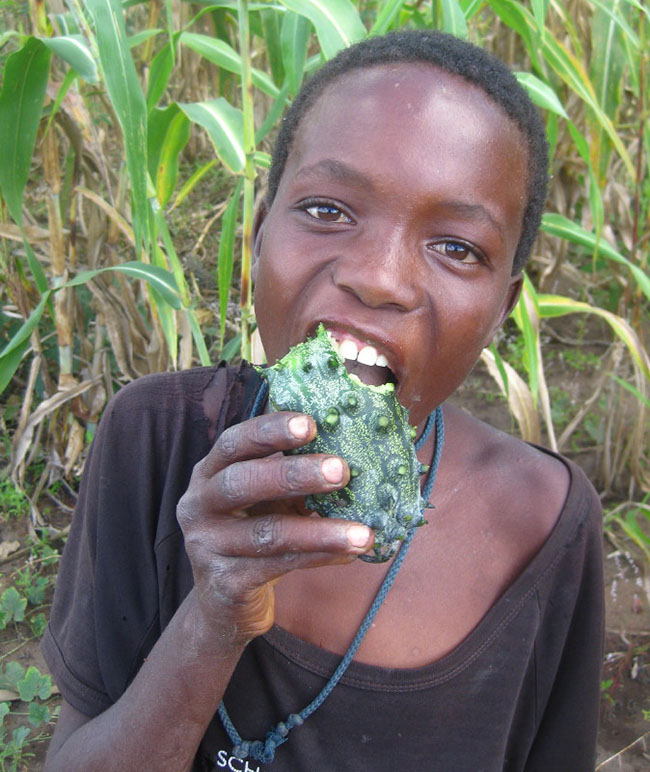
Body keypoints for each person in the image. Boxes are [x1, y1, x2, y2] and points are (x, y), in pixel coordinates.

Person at [41, 29, 604, 772]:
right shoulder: (154, 438)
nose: (378, 278)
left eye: (457, 246)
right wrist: (213, 617)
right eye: (328, 209)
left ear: (504, 306)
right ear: (258, 233)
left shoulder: (544, 522)